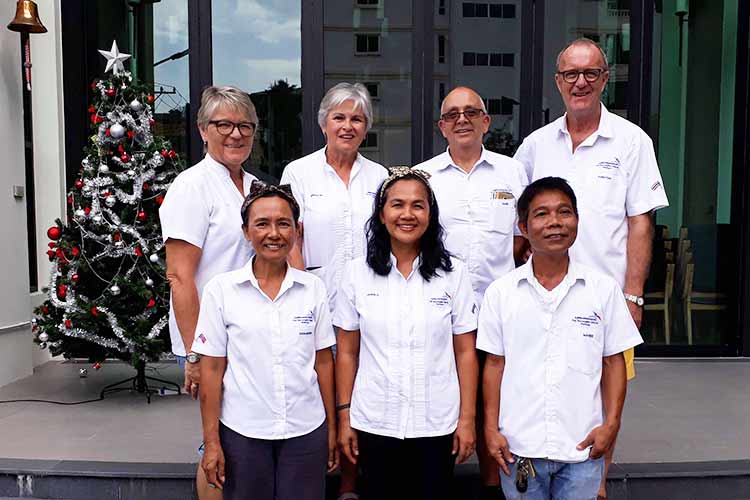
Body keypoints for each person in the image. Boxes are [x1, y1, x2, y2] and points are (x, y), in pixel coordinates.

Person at [513, 38, 668, 498]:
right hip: (542, 293)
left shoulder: (632, 141)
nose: (580, 82)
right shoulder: (536, 145)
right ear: (558, 81)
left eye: (591, 73)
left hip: (605, 297)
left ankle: (595, 486)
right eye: (570, 74)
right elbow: (520, 224)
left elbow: (641, 221)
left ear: (604, 79)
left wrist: (633, 295)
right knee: (545, 385)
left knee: (606, 395)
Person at [478, 176, 644, 500]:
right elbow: (494, 365)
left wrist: (611, 425)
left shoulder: (603, 289)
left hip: (583, 449)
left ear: (577, 221)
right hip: (519, 448)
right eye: (541, 214)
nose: (555, 222)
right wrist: (490, 429)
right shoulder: (501, 293)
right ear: (523, 228)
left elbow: (613, 363)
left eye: (564, 212)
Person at [334, 167, 479, 500]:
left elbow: (466, 352)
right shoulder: (357, 273)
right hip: (375, 421)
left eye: (418, 205)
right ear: (382, 215)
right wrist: (345, 418)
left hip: (437, 422)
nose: (408, 214)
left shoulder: (453, 274)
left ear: (431, 214)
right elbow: (346, 353)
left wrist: (467, 419)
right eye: (397, 205)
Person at [416, 86, 528, 500]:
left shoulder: (511, 173)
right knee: (444, 400)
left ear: (486, 121)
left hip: (498, 312)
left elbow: (521, 240)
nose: (462, 119)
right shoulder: (423, 177)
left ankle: (490, 488)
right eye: (452, 114)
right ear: (441, 126)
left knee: (493, 405)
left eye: (471, 112)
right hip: (440, 313)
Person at [192, 181, 338, 500]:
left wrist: (332, 429)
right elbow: (212, 371)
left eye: (283, 223)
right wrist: (212, 440)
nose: (274, 233)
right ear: (246, 232)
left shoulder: (313, 289)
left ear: (297, 231)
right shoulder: (222, 291)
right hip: (243, 431)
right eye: (262, 224)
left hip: (306, 429)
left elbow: (324, 362)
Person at [280, 82, 387, 500]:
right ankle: (314, 469)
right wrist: (304, 290)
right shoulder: (299, 173)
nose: (348, 125)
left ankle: (349, 483)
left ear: (366, 128)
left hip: (368, 299)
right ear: (324, 122)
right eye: (339, 117)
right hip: (316, 296)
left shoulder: (379, 177)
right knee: (318, 383)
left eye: (357, 119)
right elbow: (291, 237)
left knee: (357, 387)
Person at [160, 85, 259, 500]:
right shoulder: (192, 186)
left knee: (243, 439)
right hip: (210, 340)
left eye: (245, 126)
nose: (235, 134)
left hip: (250, 334)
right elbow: (180, 276)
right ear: (203, 130)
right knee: (215, 444)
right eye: (224, 124)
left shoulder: (254, 186)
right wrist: (195, 354)